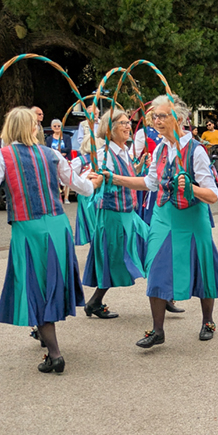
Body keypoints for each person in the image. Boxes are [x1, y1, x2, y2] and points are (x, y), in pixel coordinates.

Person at [0, 107, 102, 373]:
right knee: (51, 281)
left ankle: (55, 353)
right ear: (34, 128)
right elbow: (81, 187)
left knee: (35, 285)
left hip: (28, 228)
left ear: (8, 128)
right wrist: (93, 183)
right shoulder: (52, 154)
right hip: (58, 226)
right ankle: (42, 334)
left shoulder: (2, 157)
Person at [103, 94, 218, 347]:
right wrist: (113, 178)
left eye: (162, 116)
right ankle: (157, 330)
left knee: (202, 268)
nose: (156, 121)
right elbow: (149, 183)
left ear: (179, 119)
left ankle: (208, 320)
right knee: (157, 269)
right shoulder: (160, 148)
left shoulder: (196, 151)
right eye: (154, 116)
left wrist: (191, 188)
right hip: (163, 218)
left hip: (193, 218)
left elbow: (213, 195)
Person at [81, 109, 150, 319]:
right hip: (112, 214)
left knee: (152, 246)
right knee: (113, 260)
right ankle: (94, 302)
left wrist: (138, 166)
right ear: (110, 129)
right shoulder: (104, 155)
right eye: (122, 123)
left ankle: (164, 296)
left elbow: (125, 177)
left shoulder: (125, 151)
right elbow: (95, 178)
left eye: (128, 122)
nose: (128, 126)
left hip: (129, 213)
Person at [46, 119, 73, 203]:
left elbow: (69, 147)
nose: (57, 127)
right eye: (55, 126)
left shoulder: (66, 137)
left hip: (65, 159)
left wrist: (61, 151)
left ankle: (66, 197)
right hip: (54, 160)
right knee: (55, 177)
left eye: (59, 126)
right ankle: (58, 197)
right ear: (51, 127)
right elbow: (47, 148)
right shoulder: (49, 138)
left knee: (67, 177)